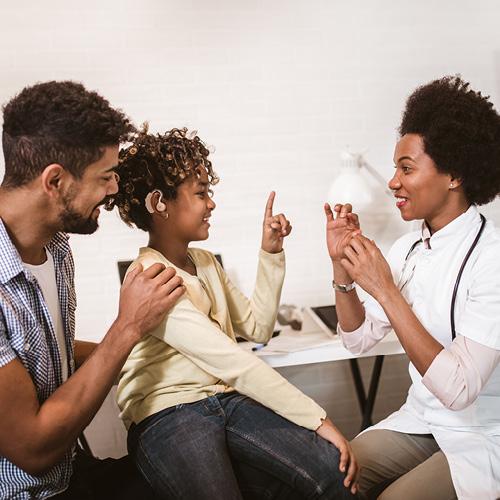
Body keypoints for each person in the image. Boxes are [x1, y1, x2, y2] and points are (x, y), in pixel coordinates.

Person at [110, 126, 358, 499]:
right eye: (201, 194)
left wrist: (270, 253)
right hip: (169, 413)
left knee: (331, 474)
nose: (211, 203)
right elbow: (234, 363)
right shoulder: (151, 277)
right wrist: (318, 419)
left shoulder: (206, 263)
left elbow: (256, 328)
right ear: (159, 203)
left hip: (225, 398)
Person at [0, 81, 185, 499]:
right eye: (105, 177)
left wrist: (168, 352)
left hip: (73, 472)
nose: (115, 189)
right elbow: (33, 448)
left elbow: (53, 357)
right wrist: (128, 327)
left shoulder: (56, 245)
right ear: (55, 181)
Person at [325, 75, 500, 500]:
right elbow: (357, 340)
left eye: (406, 168)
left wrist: (386, 290)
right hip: (420, 421)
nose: (392, 182)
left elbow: (459, 391)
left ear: (454, 175)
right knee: (325, 474)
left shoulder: (492, 258)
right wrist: (342, 268)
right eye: (395, 168)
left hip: (482, 433)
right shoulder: (408, 249)